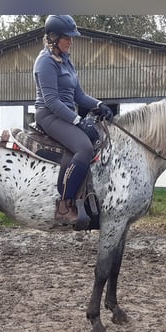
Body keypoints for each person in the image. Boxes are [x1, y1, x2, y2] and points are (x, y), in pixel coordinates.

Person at [33, 15, 113, 226]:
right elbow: (51, 101)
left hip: (65, 112)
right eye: (66, 38)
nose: (71, 41)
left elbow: (79, 96)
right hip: (49, 115)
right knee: (84, 149)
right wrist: (78, 121)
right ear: (53, 38)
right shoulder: (45, 62)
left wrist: (99, 105)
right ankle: (64, 205)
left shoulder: (67, 61)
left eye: (71, 37)